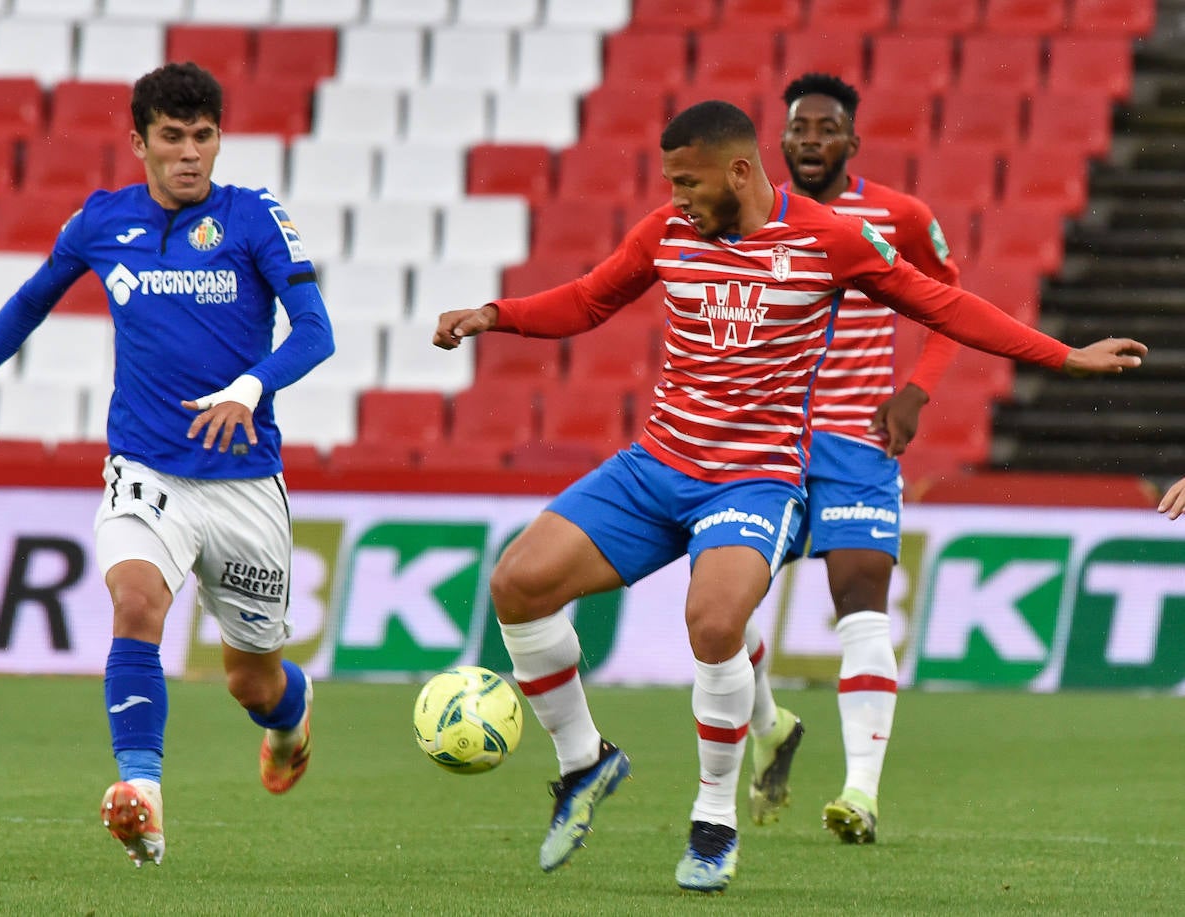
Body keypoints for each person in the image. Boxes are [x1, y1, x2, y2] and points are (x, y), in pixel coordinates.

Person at [431, 100, 1145, 893]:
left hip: (754, 478)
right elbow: (590, 298)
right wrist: (495, 315)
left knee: (713, 620)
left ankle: (714, 820)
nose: (676, 197)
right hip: (656, 464)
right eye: (670, 182)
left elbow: (941, 302)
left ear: (740, 171)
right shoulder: (666, 233)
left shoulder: (828, 239)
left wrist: (1063, 355)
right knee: (516, 583)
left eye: (688, 181)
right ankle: (585, 762)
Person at [0, 62, 335, 868]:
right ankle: (142, 797)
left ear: (219, 139)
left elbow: (315, 332)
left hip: (243, 479)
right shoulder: (100, 221)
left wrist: (249, 388)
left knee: (251, 683)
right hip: (146, 468)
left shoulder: (255, 218)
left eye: (204, 136)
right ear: (139, 142)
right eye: (173, 137)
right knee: (134, 604)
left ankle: (293, 722)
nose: (191, 153)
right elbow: (31, 300)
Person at [740, 72, 967, 845]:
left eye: (825, 128)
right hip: (763, 435)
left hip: (855, 442)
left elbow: (949, 307)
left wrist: (915, 392)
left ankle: (859, 795)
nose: (809, 140)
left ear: (851, 141)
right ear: (780, 139)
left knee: (860, 605)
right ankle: (770, 726)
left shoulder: (899, 216)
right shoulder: (752, 214)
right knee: (723, 605)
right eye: (798, 128)